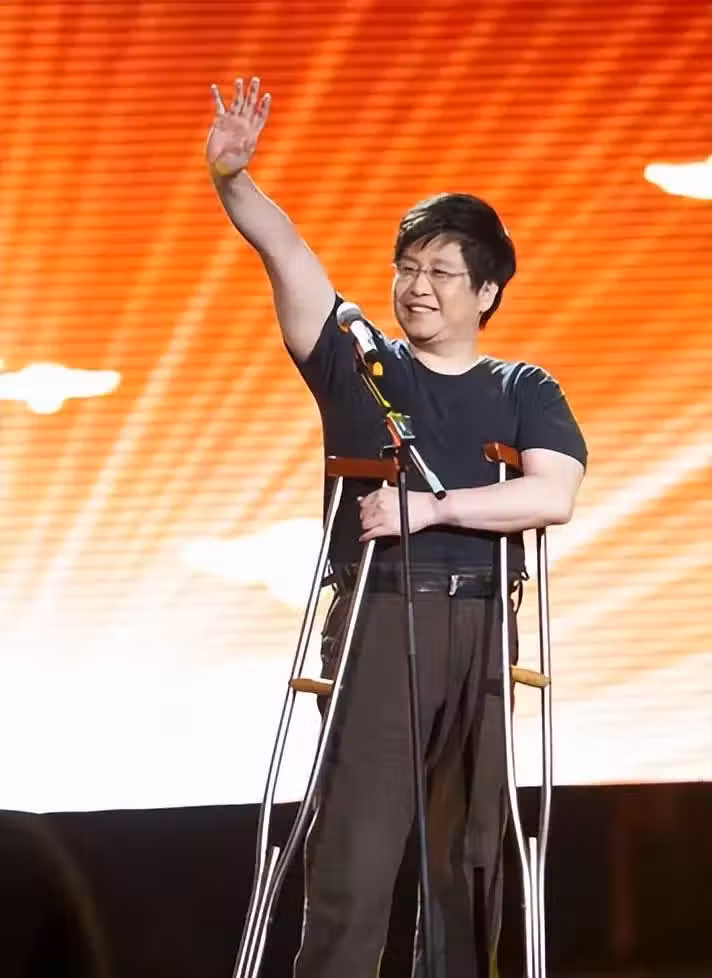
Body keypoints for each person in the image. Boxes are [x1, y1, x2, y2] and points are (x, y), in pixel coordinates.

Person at [206, 77, 587, 978]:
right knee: (357, 843)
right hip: (381, 612)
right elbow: (287, 253)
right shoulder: (359, 361)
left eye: (441, 273)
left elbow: (553, 494)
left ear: (486, 291)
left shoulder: (524, 388)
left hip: (484, 620)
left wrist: (437, 507)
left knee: (473, 852)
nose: (417, 287)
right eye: (407, 268)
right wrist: (233, 179)